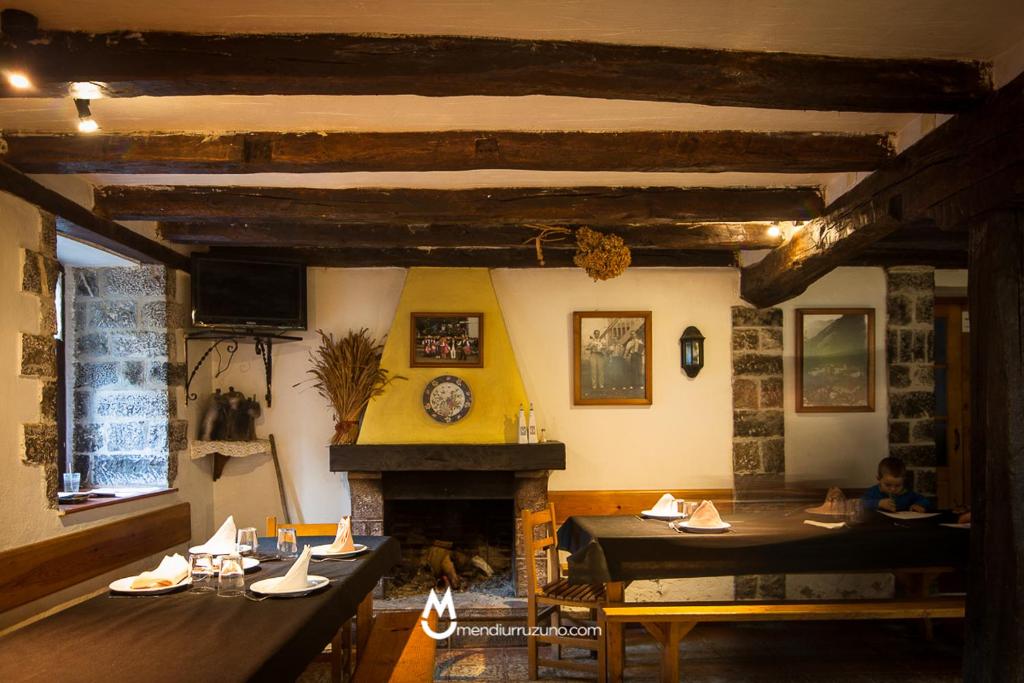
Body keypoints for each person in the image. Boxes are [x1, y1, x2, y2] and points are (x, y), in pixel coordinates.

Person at [861, 456, 931, 512]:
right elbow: (861, 504)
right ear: (879, 479)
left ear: (903, 481)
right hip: (880, 526)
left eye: (898, 485)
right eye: (888, 485)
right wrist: (879, 503)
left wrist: (920, 505)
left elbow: (925, 501)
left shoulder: (906, 493)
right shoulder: (873, 492)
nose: (893, 489)